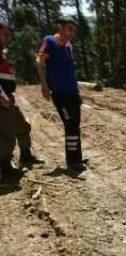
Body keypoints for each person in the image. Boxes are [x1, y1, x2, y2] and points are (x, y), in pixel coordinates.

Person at [37, 16, 86, 172]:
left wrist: (77, 91)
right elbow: (39, 62)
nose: (72, 33)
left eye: (74, 30)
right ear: (61, 27)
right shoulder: (50, 41)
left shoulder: (69, 46)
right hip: (60, 93)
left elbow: (71, 72)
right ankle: (72, 162)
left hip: (72, 93)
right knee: (70, 124)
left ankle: (77, 157)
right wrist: (44, 86)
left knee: (75, 125)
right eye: (69, 29)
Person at [0, 20, 38, 181]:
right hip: (2, 99)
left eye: (9, 34)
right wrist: (1, 96)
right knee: (7, 134)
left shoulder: (2, 51)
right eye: (5, 33)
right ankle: (5, 168)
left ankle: (26, 155)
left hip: (8, 97)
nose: (8, 37)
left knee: (22, 126)